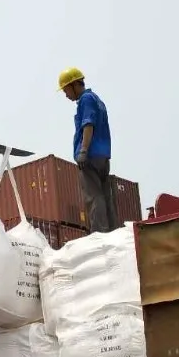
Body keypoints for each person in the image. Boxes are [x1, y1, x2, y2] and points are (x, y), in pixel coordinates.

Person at [58, 66, 118, 233]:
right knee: (105, 195)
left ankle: (100, 233)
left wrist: (83, 150)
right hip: (103, 155)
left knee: (93, 195)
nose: (66, 95)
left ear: (74, 84)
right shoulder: (97, 100)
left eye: (66, 90)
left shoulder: (86, 99)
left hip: (90, 155)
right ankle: (112, 231)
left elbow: (88, 124)